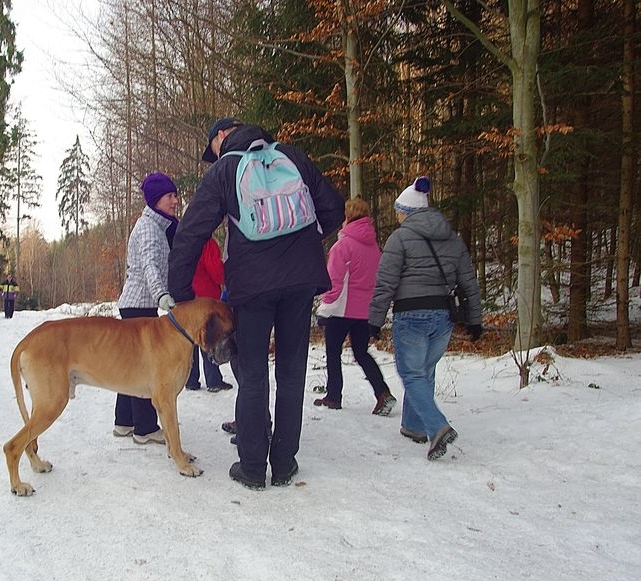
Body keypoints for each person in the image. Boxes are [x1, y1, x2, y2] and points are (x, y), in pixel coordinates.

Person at [167, 117, 344, 490]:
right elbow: (334, 209)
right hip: (299, 281)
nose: (211, 156)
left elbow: (191, 232)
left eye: (210, 148)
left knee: (253, 373)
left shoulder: (224, 170)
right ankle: (283, 464)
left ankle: (251, 467)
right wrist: (302, 246)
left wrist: (181, 293)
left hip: (252, 286)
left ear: (220, 138)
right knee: (292, 372)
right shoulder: (292, 157)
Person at [368, 176, 482, 461]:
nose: (396, 216)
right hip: (443, 315)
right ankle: (413, 425)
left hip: (411, 314)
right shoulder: (452, 239)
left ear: (407, 212)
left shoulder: (400, 238)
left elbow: (385, 283)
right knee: (425, 370)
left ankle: (437, 427)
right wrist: (475, 319)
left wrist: (375, 319)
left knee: (411, 373)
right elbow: (469, 281)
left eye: (398, 211)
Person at [113, 172, 180, 445]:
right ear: (155, 200)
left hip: (135, 304)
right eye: (169, 196)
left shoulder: (154, 224)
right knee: (143, 369)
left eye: (175, 195)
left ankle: (124, 422)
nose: (175, 201)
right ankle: (144, 428)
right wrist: (162, 294)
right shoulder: (149, 228)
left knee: (130, 366)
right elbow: (151, 265)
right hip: (140, 305)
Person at [315, 196, 397, 415]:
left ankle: (334, 396)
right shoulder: (374, 248)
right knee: (361, 352)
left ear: (347, 217)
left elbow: (334, 281)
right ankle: (382, 393)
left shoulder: (343, 246)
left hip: (342, 309)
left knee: (333, 352)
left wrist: (324, 308)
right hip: (365, 310)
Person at [184, 235, 233, 393]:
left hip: (188, 298)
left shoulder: (184, 241)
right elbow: (217, 272)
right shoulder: (206, 243)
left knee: (191, 338)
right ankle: (213, 380)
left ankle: (190, 379)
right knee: (208, 336)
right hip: (207, 298)